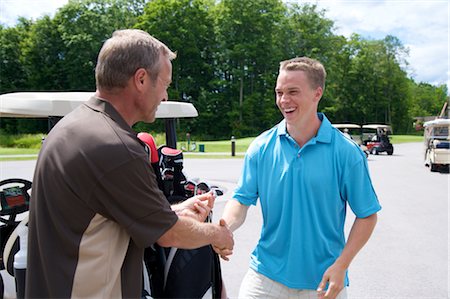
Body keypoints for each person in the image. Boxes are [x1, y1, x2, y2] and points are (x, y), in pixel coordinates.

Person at [26, 29, 233, 299]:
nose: (165, 96)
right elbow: (169, 235)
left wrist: (178, 209)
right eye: (165, 84)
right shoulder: (115, 146)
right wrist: (218, 236)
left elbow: (109, 211)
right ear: (141, 79)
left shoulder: (74, 126)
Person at [219, 57, 381, 299]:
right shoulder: (261, 147)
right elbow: (241, 200)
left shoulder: (346, 152)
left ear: (318, 93)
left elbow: (367, 215)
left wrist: (342, 265)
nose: (284, 100)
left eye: (293, 91)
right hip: (265, 277)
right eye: (279, 92)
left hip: (323, 281)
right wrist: (224, 229)